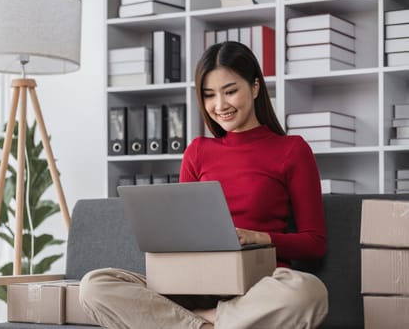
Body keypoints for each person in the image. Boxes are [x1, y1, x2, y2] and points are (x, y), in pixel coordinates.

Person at [79, 41, 328, 329]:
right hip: (195, 284)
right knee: (94, 285)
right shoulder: (197, 151)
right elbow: (184, 233)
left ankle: (200, 322)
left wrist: (259, 237)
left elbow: (315, 243)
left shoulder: (292, 150)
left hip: (258, 286)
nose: (219, 106)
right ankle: (210, 324)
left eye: (230, 91)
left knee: (308, 292)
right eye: (209, 95)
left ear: (256, 87)